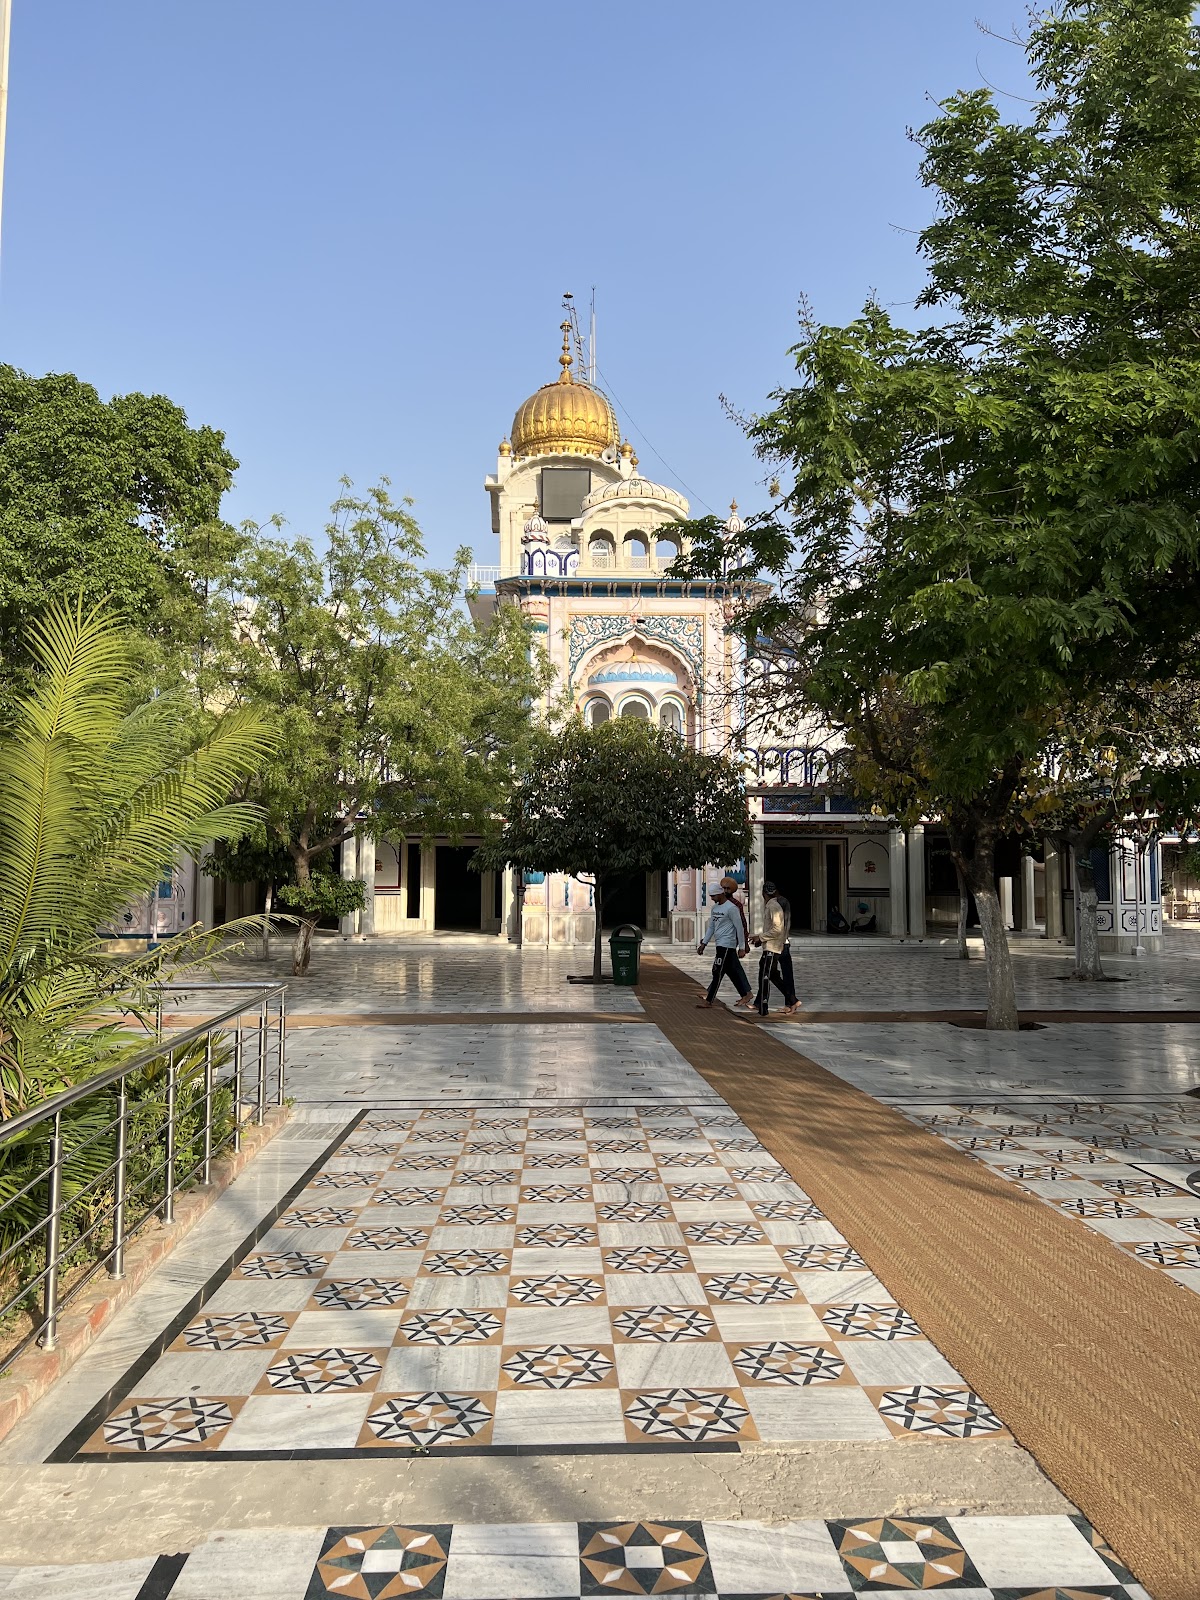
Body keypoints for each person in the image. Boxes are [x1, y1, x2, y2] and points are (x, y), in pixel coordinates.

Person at [697, 884, 752, 1008]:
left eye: (713, 896)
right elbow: (711, 927)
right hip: (719, 944)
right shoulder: (715, 908)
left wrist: (742, 947)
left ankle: (709, 1000)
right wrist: (704, 943)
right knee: (731, 971)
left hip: (727, 945)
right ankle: (746, 994)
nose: (712, 899)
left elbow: (740, 928)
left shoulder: (732, 908)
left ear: (720, 894)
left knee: (717, 971)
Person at [749, 881, 800, 1015]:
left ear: (763, 893)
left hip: (778, 945)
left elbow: (780, 928)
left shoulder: (776, 905)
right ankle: (790, 1000)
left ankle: (773, 1004)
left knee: (770, 974)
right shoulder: (773, 904)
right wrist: (760, 937)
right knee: (770, 973)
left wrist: (762, 938)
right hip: (775, 944)